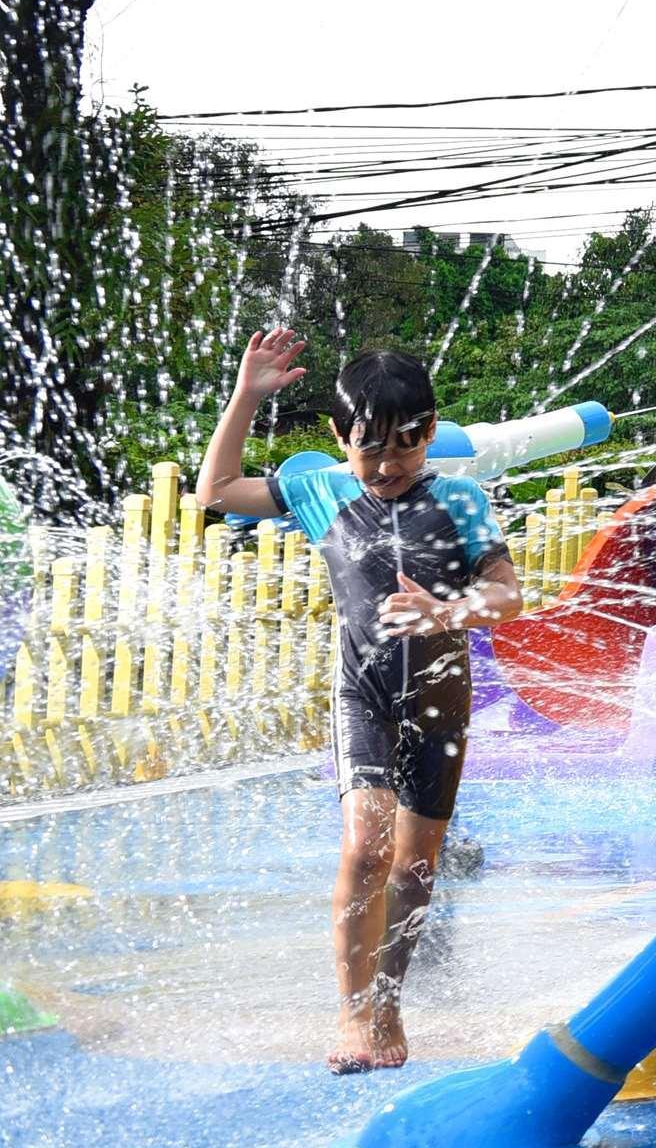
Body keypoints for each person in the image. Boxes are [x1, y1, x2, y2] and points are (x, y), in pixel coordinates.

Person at [197, 330, 520, 1071]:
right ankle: (351, 1018)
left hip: (439, 697)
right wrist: (247, 396)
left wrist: (446, 612)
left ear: (431, 434)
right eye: (369, 450)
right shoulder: (321, 491)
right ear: (339, 438)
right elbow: (216, 493)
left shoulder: (460, 499)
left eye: (405, 449)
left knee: (415, 868)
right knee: (365, 850)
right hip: (364, 691)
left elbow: (507, 594)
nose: (387, 466)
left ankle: (388, 1008)